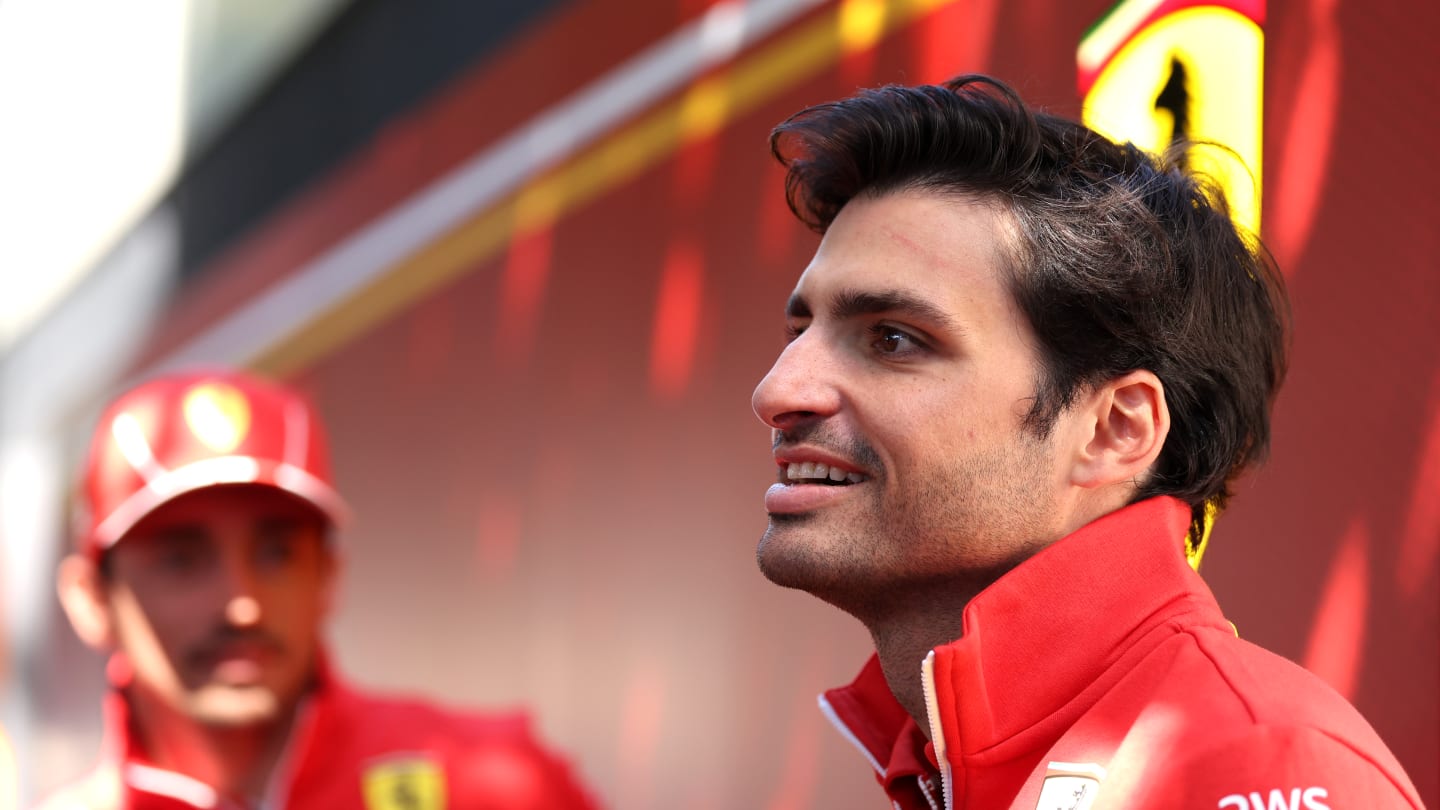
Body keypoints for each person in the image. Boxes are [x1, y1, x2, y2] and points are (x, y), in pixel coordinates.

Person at [750, 75, 1422, 810]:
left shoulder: (1248, 759)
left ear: (1115, 431)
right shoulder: (940, 763)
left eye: (893, 339)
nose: (778, 393)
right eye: (800, 331)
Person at [43, 369, 598, 809]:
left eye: (276, 553)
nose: (241, 602)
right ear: (92, 600)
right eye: (181, 559)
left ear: (329, 576)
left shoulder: (494, 779)